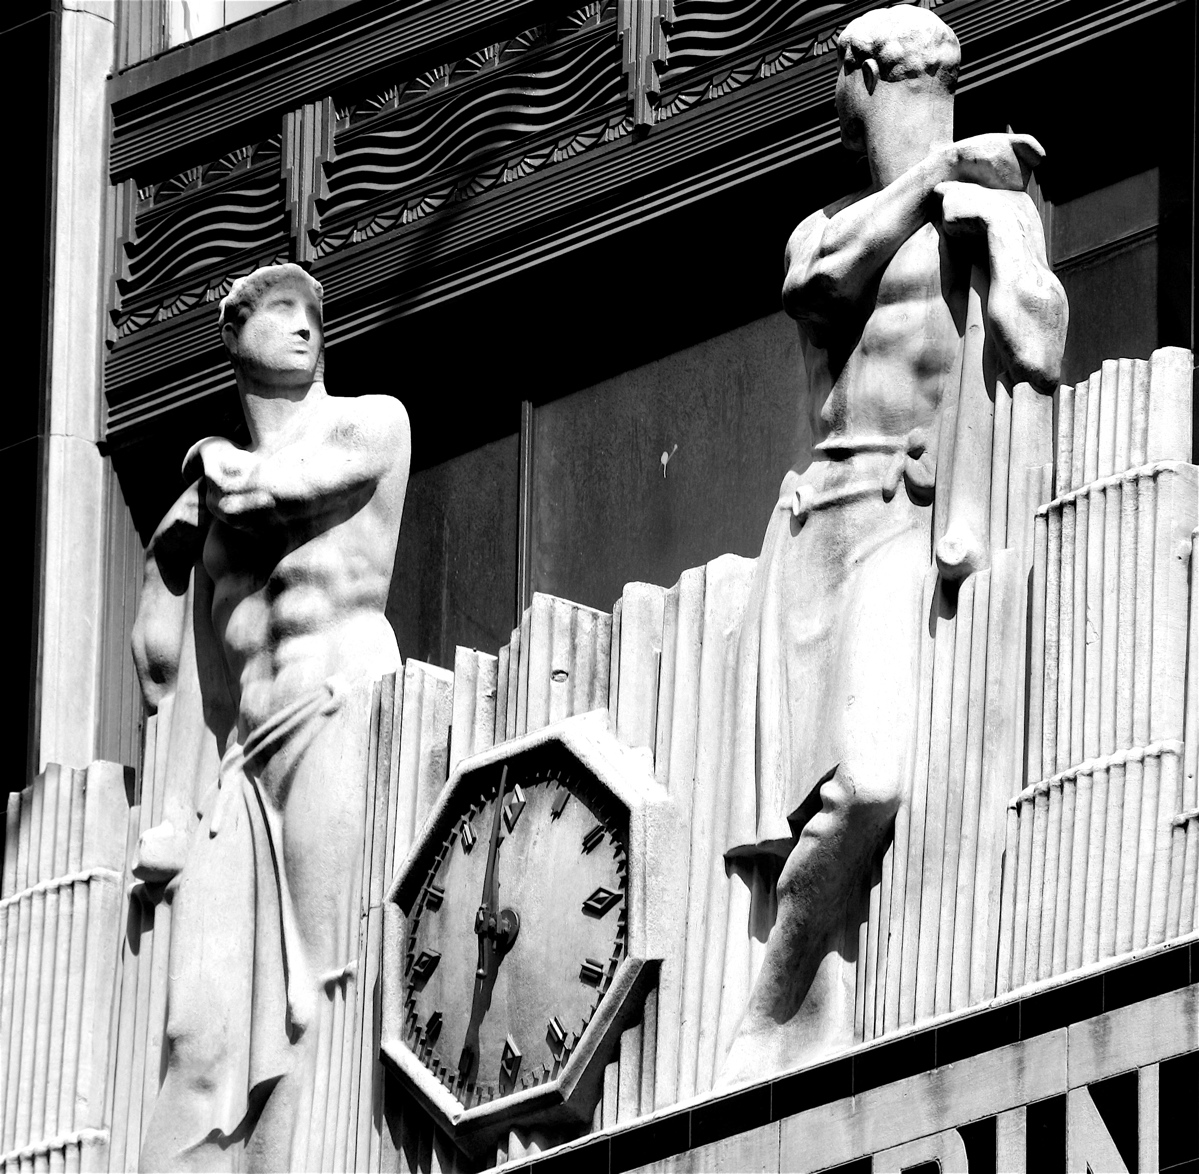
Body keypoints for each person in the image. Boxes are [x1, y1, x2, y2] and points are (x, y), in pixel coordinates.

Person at [721, 6, 1066, 1080]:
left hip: (906, 520)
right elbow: (815, 287)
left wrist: (998, 239)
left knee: (867, 779)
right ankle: (808, 1011)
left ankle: (772, 995)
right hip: (819, 522)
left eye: (835, 78)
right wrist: (937, 177)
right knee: (812, 798)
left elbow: (1038, 343)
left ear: (860, 77)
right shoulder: (830, 225)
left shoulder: (991, 209)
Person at [132, 263, 411, 1170]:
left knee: (318, 984)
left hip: (335, 711)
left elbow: (269, 495)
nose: (304, 327)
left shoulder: (370, 424)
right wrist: (160, 563)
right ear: (232, 337)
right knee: (197, 1028)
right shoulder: (207, 516)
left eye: (312, 316)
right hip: (243, 762)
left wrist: (205, 460)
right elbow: (175, 669)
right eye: (280, 312)